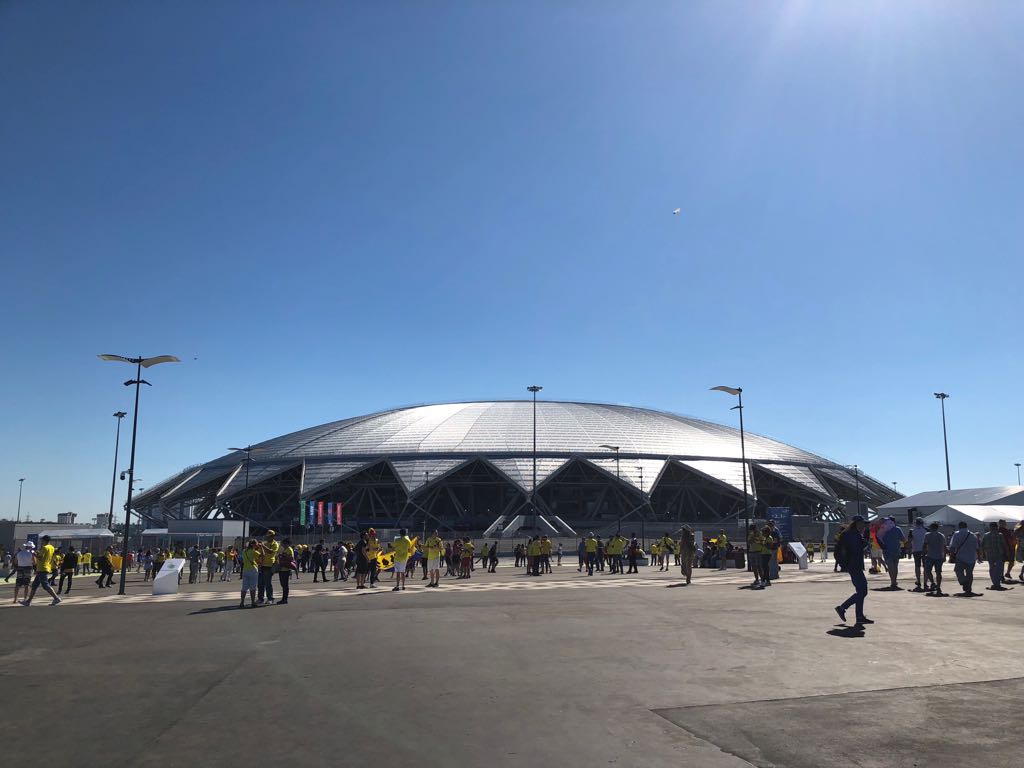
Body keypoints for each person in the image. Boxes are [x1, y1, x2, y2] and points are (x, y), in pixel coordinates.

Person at [834, 516, 871, 625]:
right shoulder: (854, 535)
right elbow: (856, 550)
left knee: (861, 591)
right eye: (863, 523)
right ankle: (842, 607)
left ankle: (859, 616)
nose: (864, 526)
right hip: (854, 566)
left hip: (854, 566)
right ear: (857, 524)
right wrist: (863, 544)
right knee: (863, 591)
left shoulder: (853, 534)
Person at [23, 535, 61, 607]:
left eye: (42, 540)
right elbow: (48, 556)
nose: (41, 542)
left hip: (42, 568)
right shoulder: (51, 547)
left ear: (44, 540)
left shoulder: (44, 547)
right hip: (46, 567)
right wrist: (38, 553)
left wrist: (34, 553)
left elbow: (40, 557)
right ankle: (28, 601)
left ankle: (56, 598)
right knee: (34, 585)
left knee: (45, 585)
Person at [949, 521, 980, 597]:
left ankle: (963, 582)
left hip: (960, 557)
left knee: (958, 570)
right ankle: (968, 590)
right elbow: (977, 547)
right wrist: (979, 556)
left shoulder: (957, 534)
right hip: (971, 557)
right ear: (966, 526)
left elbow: (952, 546)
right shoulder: (973, 535)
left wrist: (951, 556)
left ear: (959, 526)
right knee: (969, 574)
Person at [981, 522, 1010, 591]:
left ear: (990, 527)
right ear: (996, 527)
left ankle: (995, 583)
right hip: (999, 554)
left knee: (992, 569)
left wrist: (983, 554)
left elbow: (982, 546)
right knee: (998, 569)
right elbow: (1004, 544)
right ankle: (996, 584)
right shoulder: (1000, 535)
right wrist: (1007, 553)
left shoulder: (986, 535)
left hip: (990, 555)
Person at [879, 517, 906, 589]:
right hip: (896, 549)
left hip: (887, 550)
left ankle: (893, 581)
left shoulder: (883, 529)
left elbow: (879, 538)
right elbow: (903, 539)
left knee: (890, 566)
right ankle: (894, 581)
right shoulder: (897, 529)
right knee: (895, 566)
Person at [923, 522, 947, 596]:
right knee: (938, 572)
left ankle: (933, 583)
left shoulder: (927, 535)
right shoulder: (941, 535)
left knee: (927, 570)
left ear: (931, 528)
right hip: (939, 556)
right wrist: (945, 556)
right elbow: (944, 546)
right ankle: (938, 586)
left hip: (930, 555)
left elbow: (924, 545)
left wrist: (923, 554)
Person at [256, 530, 279, 604]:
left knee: (268, 583)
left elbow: (271, 552)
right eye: (267, 536)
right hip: (262, 565)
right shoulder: (265, 543)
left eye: (269, 536)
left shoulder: (275, 544)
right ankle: (260, 598)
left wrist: (263, 546)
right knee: (260, 583)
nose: (268, 538)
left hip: (269, 565)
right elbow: (259, 553)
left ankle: (270, 598)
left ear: (273, 536)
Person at [239, 539, 259, 608]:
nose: (257, 545)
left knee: (244, 588)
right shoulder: (254, 551)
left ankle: (242, 602)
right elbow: (262, 555)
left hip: (245, 569)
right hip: (253, 569)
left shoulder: (244, 551)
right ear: (253, 544)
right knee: (253, 587)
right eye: (256, 544)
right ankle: (253, 602)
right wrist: (261, 547)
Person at [909, 518, 928, 592]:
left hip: (916, 550)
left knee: (917, 566)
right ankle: (925, 582)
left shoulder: (912, 531)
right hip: (925, 550)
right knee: (925, 566)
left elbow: (910, 542)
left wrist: (909, 552)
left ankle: (918, 581)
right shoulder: (926, 530)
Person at [277, 537, 295, 604]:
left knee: (285, 585)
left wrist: (284, 555)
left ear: (287, 543)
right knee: (283, 584)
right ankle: (284, 598)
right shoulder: (285, 549)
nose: (282, 545)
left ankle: (285, 599)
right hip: (282, 568)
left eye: (283, 543)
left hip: (286, 569)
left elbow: (291, 558)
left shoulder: (289, 549)